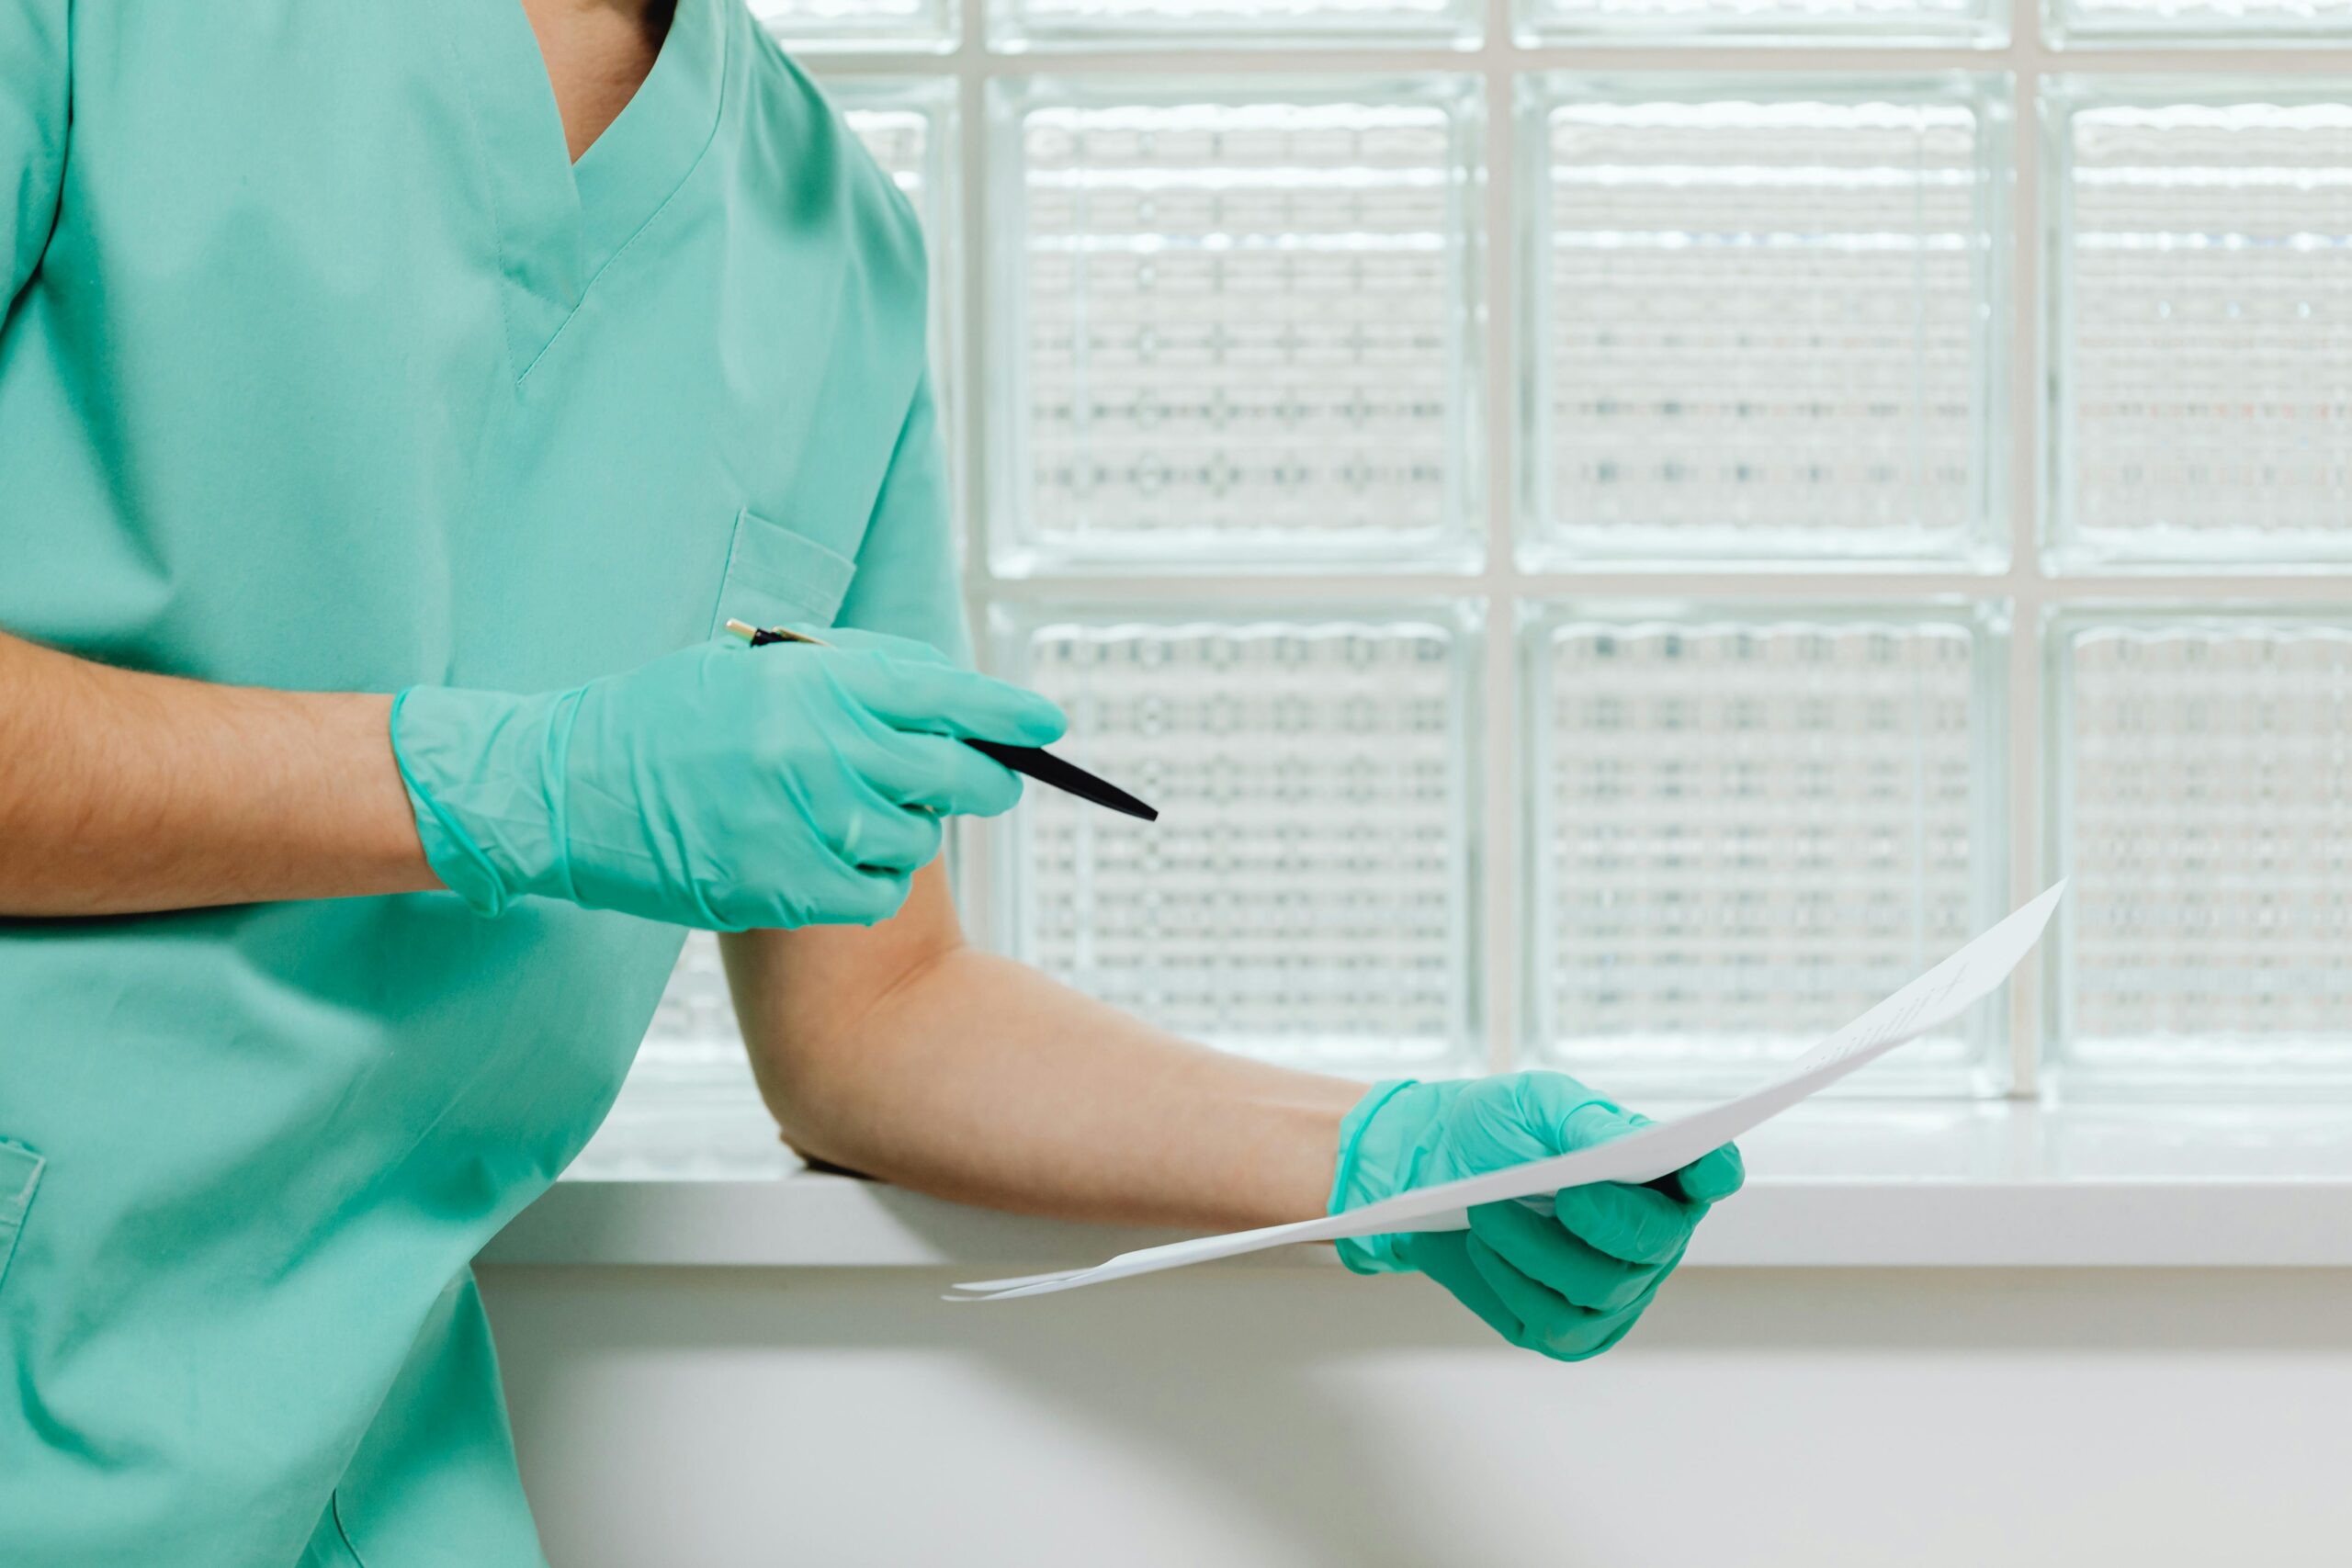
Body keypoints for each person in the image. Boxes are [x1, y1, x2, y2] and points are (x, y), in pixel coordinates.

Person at [0, 1, 1743, 1562]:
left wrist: (1379, 1163)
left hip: (330, 1457)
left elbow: (876, 1016)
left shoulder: (832, 247)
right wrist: (521, 779)